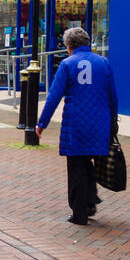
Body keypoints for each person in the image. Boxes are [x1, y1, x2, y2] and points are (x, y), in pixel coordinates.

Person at [35, 26, 117, 226]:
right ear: (87, 43)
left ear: (69, 46)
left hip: (76, 124)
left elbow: (53, 97)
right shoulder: (104, 63)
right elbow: (113, 96)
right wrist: (113, 121)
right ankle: (90, 202)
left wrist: (42, 123)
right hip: (99, 123)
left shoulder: (67, 64)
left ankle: (79, 213)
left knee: (76, 167)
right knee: (88, 163)